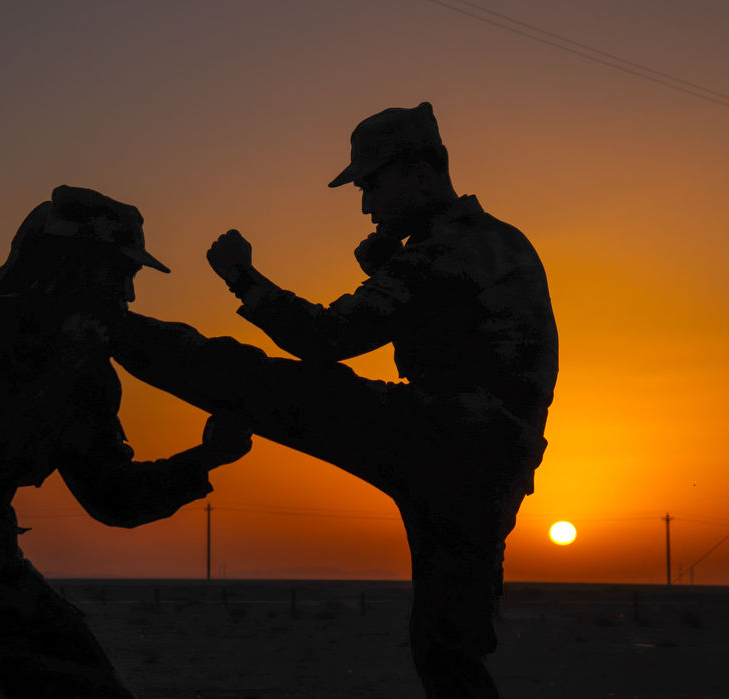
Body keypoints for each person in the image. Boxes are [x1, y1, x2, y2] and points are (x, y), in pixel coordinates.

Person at [110, 102, 559, 698]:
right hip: (494, 467)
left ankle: (109, 326)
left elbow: (324, 340)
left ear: (420, 174)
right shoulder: (495, 243)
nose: (367, 204)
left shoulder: (446, 251)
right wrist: (391, 264)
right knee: (448, 649)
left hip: (448, 442)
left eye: (372, 184)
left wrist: (243, 277)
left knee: (259, 383)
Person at [0, 185, 252, 699]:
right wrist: (65, 364)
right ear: (73, 266)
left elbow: (113, 498)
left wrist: (205, 461)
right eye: (120, 273)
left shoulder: (91, 375)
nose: (127, 296)